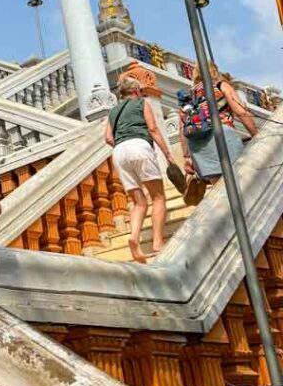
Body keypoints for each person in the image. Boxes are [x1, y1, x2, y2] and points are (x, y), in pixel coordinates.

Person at [104, 75, 177, 263]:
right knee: (158, 197)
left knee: (138, 202)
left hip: (119, 152)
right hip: (139, 146)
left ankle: (134, 237)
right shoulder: (142, 103)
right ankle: (157, 243)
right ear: (136, 91)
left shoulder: (113, 112)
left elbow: (108, 138)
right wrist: (168, 154)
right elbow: (152, 128)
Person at [180, 63, 257, 184]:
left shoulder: (188, 96)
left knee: (221, 190)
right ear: (215, 72)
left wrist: (187, 157)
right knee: (242, 182)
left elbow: (183, 127)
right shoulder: (220, 85)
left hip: (199, 145)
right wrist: (256, 134)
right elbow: (240, 111)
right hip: (223, 135)